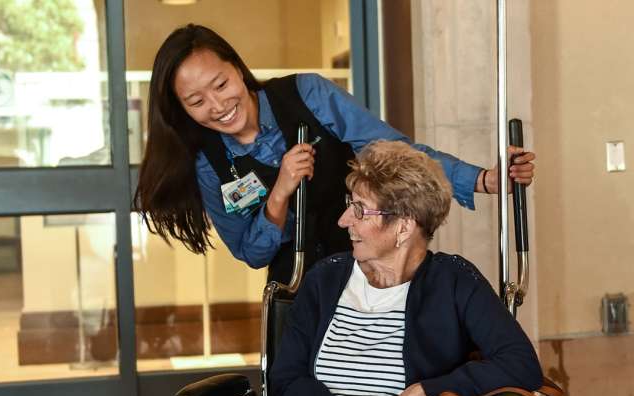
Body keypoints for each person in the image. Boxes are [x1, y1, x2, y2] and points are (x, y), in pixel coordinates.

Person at [250, 140, 543, 396]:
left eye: (360, 210)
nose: (343, 220)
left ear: (404, 225)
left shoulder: (454, 283)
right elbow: (287, 382)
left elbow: (521, 364)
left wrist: (419, 394)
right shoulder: (325, 281)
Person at [134, 24, 536, 283]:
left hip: (374, 274)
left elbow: (395, 152)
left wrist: (483, 180)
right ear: (183, 109)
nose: (217, 105)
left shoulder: (307, 94)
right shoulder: (210, 162)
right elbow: (252, 253)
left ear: (237, 70)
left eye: (220, 84)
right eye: (196, 100)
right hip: (298, 293)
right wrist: (280, 194)